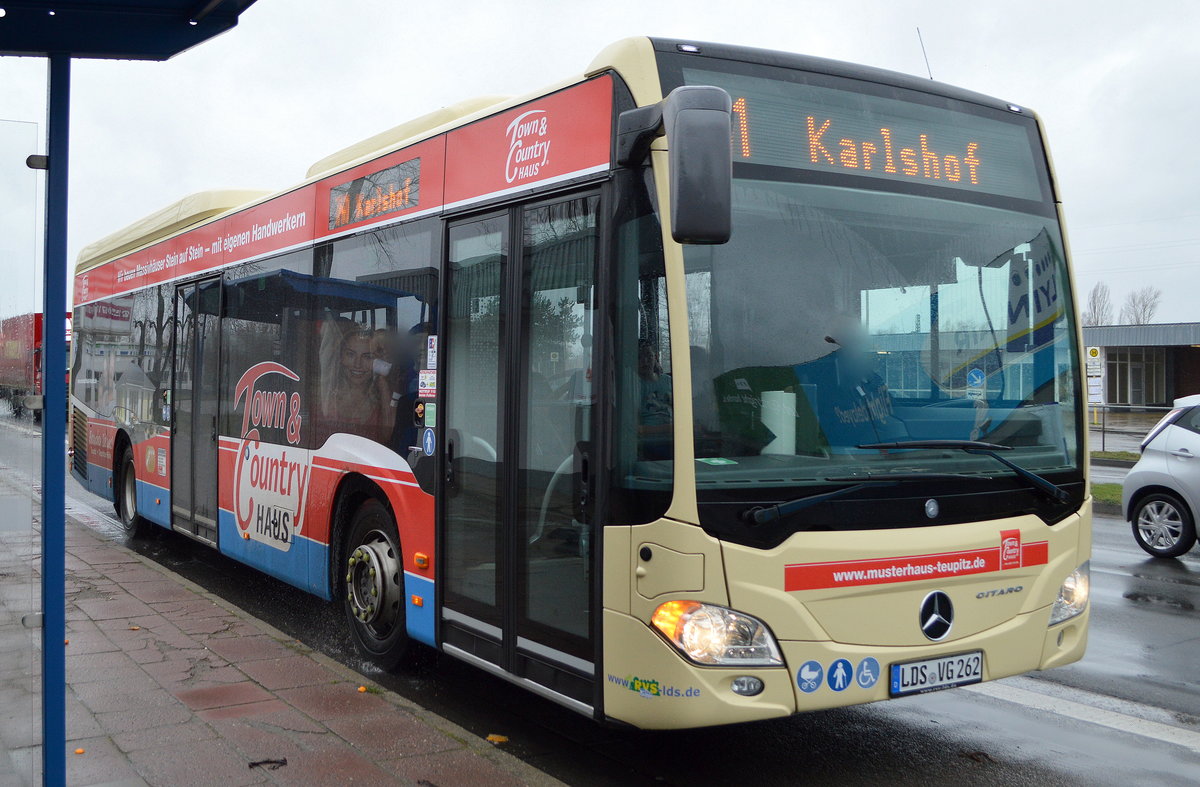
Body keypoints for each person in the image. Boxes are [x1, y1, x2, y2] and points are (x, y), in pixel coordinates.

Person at [317, 320, 394, 444]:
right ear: (341, 357)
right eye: (351, 355)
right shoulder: (324, 393)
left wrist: (383, 382)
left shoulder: (384, 397)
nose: (357, 364)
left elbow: (386, 437)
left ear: (378, 363)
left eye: (367, 357)